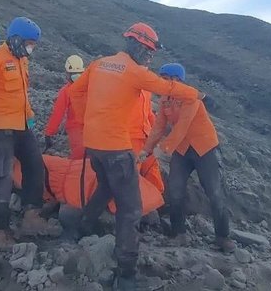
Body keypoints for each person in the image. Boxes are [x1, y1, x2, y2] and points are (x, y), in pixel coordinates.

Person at [68, 22, 205, 291]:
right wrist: (197, 94)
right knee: (130, 210)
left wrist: (90, 119)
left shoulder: (98, 64)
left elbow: (75, 92)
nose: (150, 57)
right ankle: (126, 273)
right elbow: (168, 88)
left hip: (94, 145)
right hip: (118, 150)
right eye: (150, 52)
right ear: (139, 46)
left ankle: (81, 229)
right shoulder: (134, 72)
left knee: (105, 187)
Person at [0, 17, 58, 249]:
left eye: (33, 45)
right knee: (2, 177)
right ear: (16, 39)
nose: (31, 48)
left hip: (21, 126)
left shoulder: (22, 60)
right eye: (29, 43)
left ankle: (31, 217)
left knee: (35, 166)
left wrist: (29, 114)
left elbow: (22, 93)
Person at [143, 63, 235, 253]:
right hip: (183, 150)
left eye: (166, 78)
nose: (163, 82)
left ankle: (222, 237)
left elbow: (182, 127)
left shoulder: (191, 97)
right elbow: (159, 127)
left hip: (205, 148)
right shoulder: (164, 101)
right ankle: (179, 234)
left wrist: (164, 149)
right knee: (175, 190)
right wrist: (147, 149)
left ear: (177, 80)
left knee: (214, 192)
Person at [44, 55, 85, 159]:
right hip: (88, 128)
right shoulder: (91, 86)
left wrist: (48, 134)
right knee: (85, 157)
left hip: (80, 129)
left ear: (67, 73)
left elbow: (58, 114)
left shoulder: (66, 91)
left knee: (80, 157)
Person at [130, 91, 164, 194]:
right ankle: (128, 206)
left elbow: (149, 114)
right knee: (131, 173)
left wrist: (156, 135)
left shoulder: (146, 91)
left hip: (147, 138)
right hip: (131, 139)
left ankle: (157, 198)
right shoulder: (125, 88)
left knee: (152, 168)